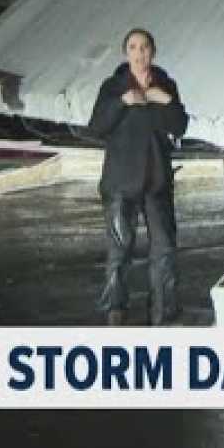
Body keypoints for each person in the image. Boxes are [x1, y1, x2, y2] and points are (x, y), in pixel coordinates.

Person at [86, 28, 189, 325]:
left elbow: (180, 126)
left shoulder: (164, 84)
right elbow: (96, 127)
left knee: (165, 247)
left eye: (144, 47)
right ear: (126, 53)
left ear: (152, 52)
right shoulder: (113, 87)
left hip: (156, 180)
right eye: (133, 47)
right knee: (120, 248)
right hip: (120, 182)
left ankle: (164, 308)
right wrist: (123, 102)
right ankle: (115, 307)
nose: (139, 53)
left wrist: (165, 100)